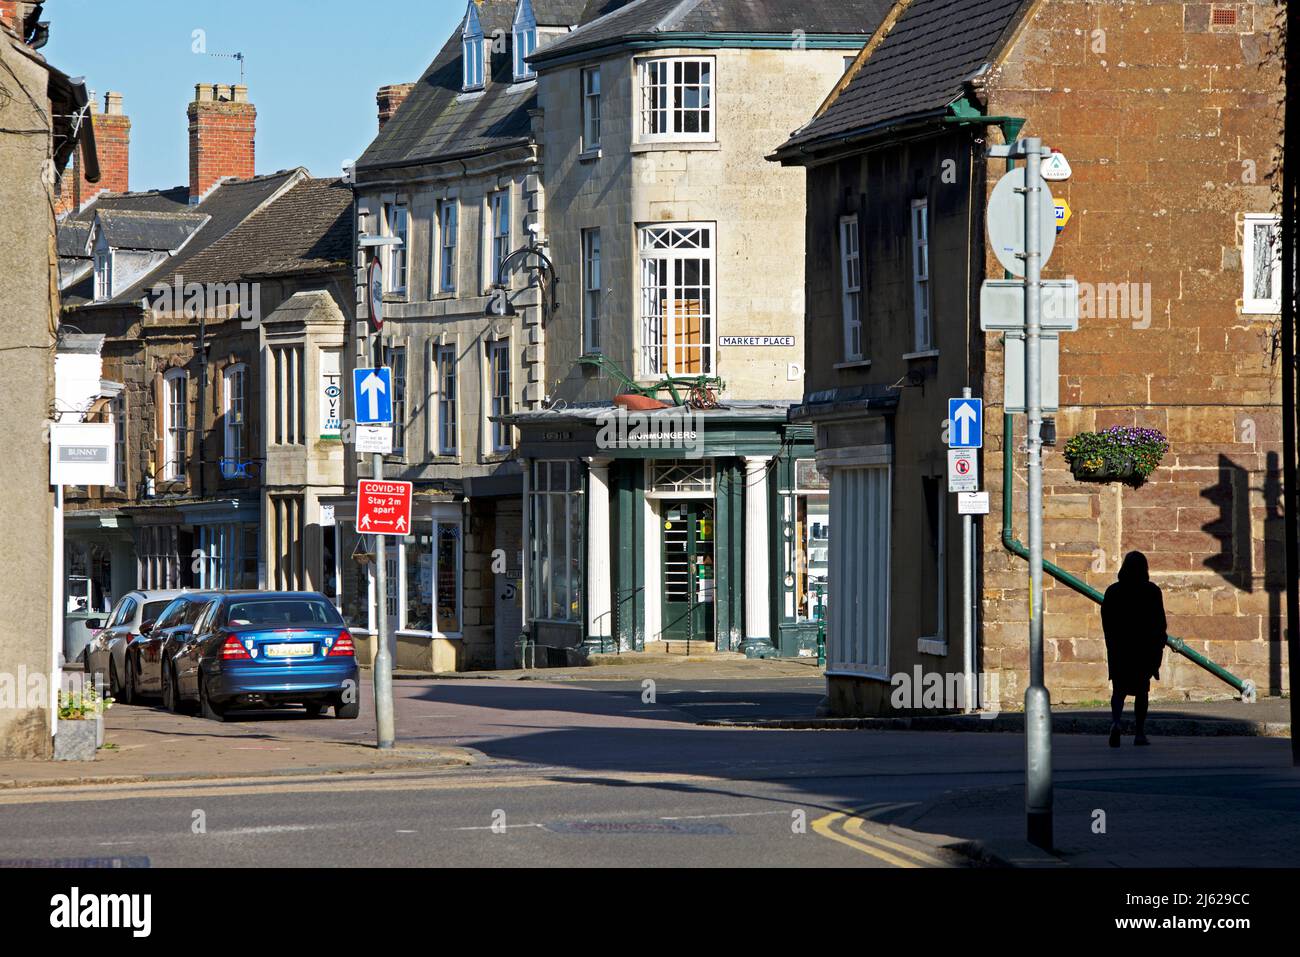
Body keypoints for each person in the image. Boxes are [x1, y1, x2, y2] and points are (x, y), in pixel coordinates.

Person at [1100, 551, 1167, 747]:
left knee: (1119, 690)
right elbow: (1159, 622)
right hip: (1143, 648)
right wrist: (1158, 646)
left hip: (1120, 648)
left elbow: (1107, 621)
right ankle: (1139, 733)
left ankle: (1116, 722)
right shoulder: (1152, 592)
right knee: (1141, 691)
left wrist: (1112, 644)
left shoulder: (1113, 592)